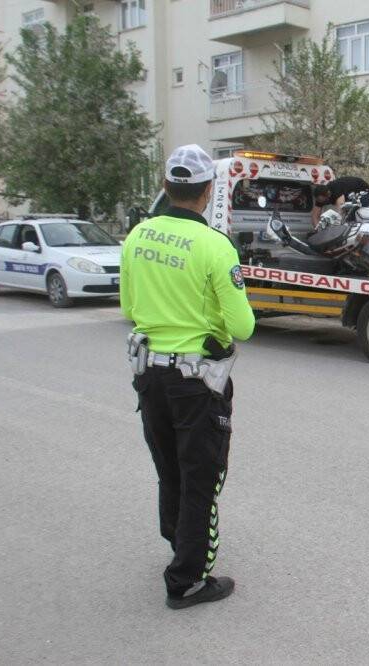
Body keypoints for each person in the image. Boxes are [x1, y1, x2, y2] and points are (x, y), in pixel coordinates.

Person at [120, 144, 256, 610]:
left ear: (166, 187)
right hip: (195, 382)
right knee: (202, 477)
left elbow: (128, 307)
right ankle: (188, 580)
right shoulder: (215, 245)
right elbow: (242, 327)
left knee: (170, 468)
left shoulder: (137, 236)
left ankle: (179, 543)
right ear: (208, 190)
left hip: (149, 375)